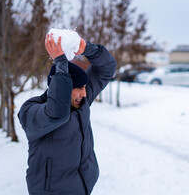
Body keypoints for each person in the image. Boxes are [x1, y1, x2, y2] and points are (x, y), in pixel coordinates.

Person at [18, 34, 117, 194]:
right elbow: (57, 113)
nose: (84, 94)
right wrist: (61, 63)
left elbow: (106, 68)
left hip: (82, 188)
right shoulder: (31, 110)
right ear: (59, 85)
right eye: (78, 88)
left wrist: (87, 49)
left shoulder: (81, 103)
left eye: (85, 87)